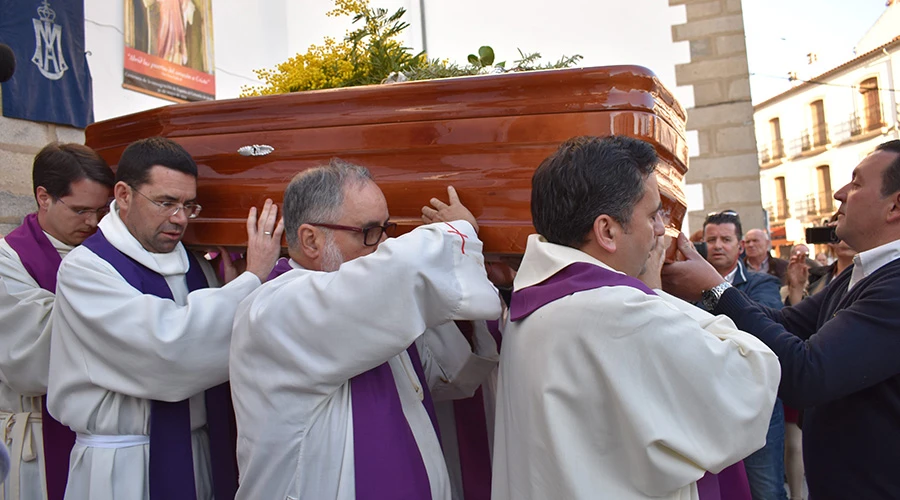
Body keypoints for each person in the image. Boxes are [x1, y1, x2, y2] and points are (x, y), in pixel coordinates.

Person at [491, 135, 781, 500]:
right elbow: (754, 379)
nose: (661, 229)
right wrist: (658, 292)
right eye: (653, 214)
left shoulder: (532, 305)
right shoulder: (621, 313)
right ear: (607, 231)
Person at [229, 160, 502, 500]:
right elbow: (403, 268)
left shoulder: (363, 312)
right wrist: (461, 230)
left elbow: (443, 379)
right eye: (370, 232)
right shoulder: (276, 309)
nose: (385, 244)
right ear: (311, 240)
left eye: (387, 228)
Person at [47, 136, 283, 500]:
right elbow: (167, 353)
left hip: (199, 454)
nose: (180, 218)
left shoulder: (196, 268)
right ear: (123, 195)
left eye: (190, 205)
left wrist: (234, 286)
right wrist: (251, 280)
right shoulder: (87, 270)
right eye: (166, 202)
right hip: (120, 467)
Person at [661, 139, 900, 498]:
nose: (839, 193)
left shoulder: (894, 286)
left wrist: (715, 290)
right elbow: (782, 323)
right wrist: (703, 291)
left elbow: (808, 373)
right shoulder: (861, 275)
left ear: (895, 206)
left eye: (857, 183)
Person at [0, 143, 115, 500]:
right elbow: (27, 361)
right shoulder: (8, 259)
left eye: (101, 210)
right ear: (43, 196)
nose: (93, 222)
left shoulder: (104, 250)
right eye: (81, 210)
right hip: (36, 440)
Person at [702, 211, 787, 500]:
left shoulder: (762, 284)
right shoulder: (683, 284)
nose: (717, 245)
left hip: (756, 403)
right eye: (710, 239)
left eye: (726, 239)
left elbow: (762, 330)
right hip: (709, 404)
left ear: (739, 246)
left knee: (766, 489)